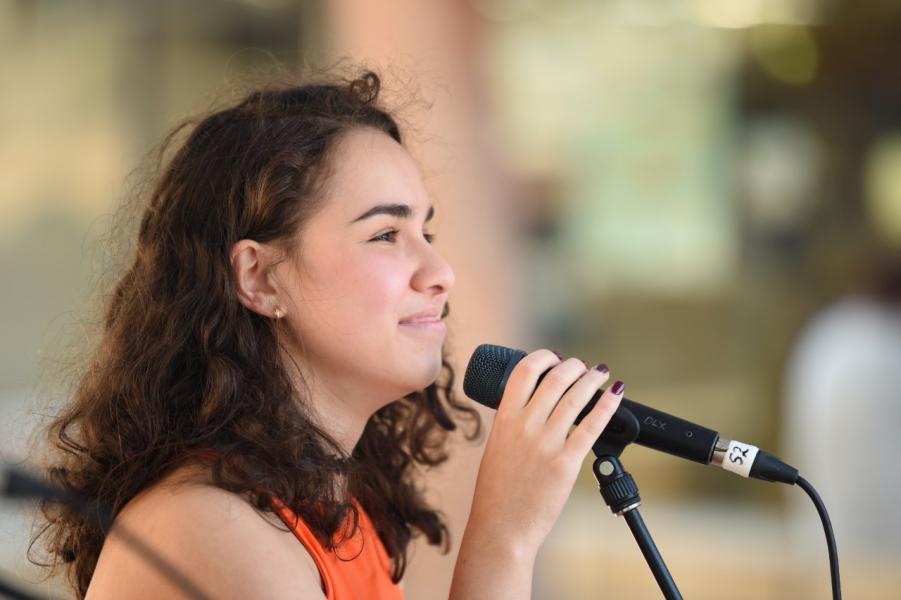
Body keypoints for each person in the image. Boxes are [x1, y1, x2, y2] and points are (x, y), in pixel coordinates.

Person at [31, 68, 624, 599]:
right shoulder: (210, 526)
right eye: (386, 235)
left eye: (427, 232)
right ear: (259, 277)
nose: (440, 273)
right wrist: (505, 537)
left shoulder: (329, 514)